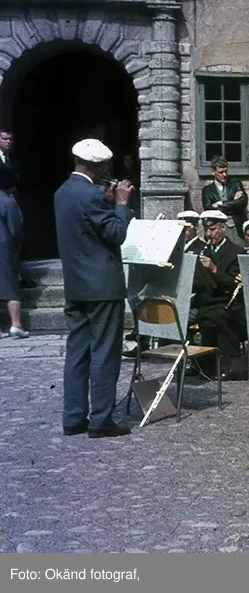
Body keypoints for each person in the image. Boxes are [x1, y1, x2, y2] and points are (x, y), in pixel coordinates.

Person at [54, 139, 134, 438]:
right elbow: (115, 233)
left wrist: (108, 203)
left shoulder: (62, 192)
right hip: (102, 286)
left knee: (77, 352)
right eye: (103, 167)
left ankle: (73, 418)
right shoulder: (91, 195)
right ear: (96, 166)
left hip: (76, 285)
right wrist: (122, 205)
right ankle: (101, 420)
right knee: (104, 353)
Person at [192, 210, 247, 380]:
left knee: (218, 316)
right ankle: (201, 364)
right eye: (206, 230)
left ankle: (234, 366)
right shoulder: (203, 250)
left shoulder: (236, 251)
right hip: (206, 301)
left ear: (223, 228)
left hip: (228, 302)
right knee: (194, 314)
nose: (209, 234)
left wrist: (214, 269)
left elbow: (235, 284)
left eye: (213, 229)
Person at [0, 165, 28, 339]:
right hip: (3, 247)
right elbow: (16, 228)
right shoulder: (7, 201)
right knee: (11, 287)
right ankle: (15, 324)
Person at [201, 155, 249, 238]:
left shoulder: (235, 183)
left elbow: (243, 202)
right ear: (213, 172)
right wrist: (233, 203)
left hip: (235, 227)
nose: (224, 174)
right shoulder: (207, 190)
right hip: (217, 228)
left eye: (226, 171)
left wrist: (221, 203)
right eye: (220, 172)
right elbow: (208, 209)